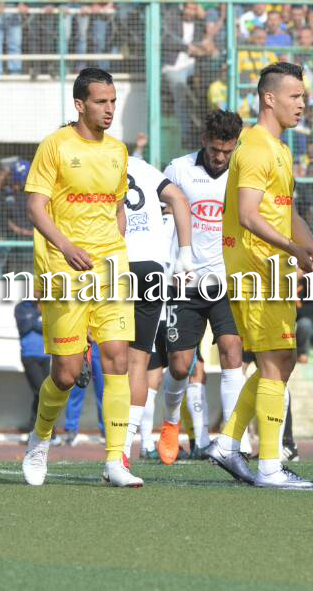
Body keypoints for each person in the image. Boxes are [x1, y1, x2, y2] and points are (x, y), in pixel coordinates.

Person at [209, 61, 313, 489]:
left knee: (281, 360)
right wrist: (293, 249)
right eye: (295, 96)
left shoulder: (278, 148)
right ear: (269, 98)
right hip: (255, 267)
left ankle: (228, 444)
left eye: (303, 96)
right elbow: (247, 214)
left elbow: (284, 209)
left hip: (272, 265)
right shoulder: (256, 147)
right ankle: (268, 465)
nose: (302, 104)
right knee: (273, 361)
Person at [20, 67, 141, 488]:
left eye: (113, 101)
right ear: (79, 104)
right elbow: (35, 207)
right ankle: (40, 439)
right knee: (67, 374)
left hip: (111, 267)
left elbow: (117, 207)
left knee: (118, 358)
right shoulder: (55, 145)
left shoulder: (118, 150)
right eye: (101, 102)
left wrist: (117, 245)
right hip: (64, 270)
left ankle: (115, 460)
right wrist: (67, 246)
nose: (109, 109)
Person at [158, 111, 248, 465]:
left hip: (227, 281)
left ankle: (231, 440)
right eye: (215, 150)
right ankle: (170, 422)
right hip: (185, 282)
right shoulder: (178, 170)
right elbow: (160, 220)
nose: (220, 157)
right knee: (180, 366)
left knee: (232, 351)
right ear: (204, 141)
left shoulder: (242, 173)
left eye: (227, 151)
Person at [121, 153, 193, 465]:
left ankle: (123, 447)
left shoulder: (92, 161)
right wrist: (186, 255)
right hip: (153, 270)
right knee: (141, 364)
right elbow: (179, 198)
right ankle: (125, 449)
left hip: (116, 264)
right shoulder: (140, 165)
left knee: (115, 363)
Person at [16, 300, 49, 433]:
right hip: (29, 356)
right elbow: (23, 327)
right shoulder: (21, 307)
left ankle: (35, 429)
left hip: (46, 356)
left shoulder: (48, 305)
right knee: (41, 392)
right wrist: (37, 315)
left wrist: (32, 321)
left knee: (45, 394)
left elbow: (50, 328)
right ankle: (44, 431)